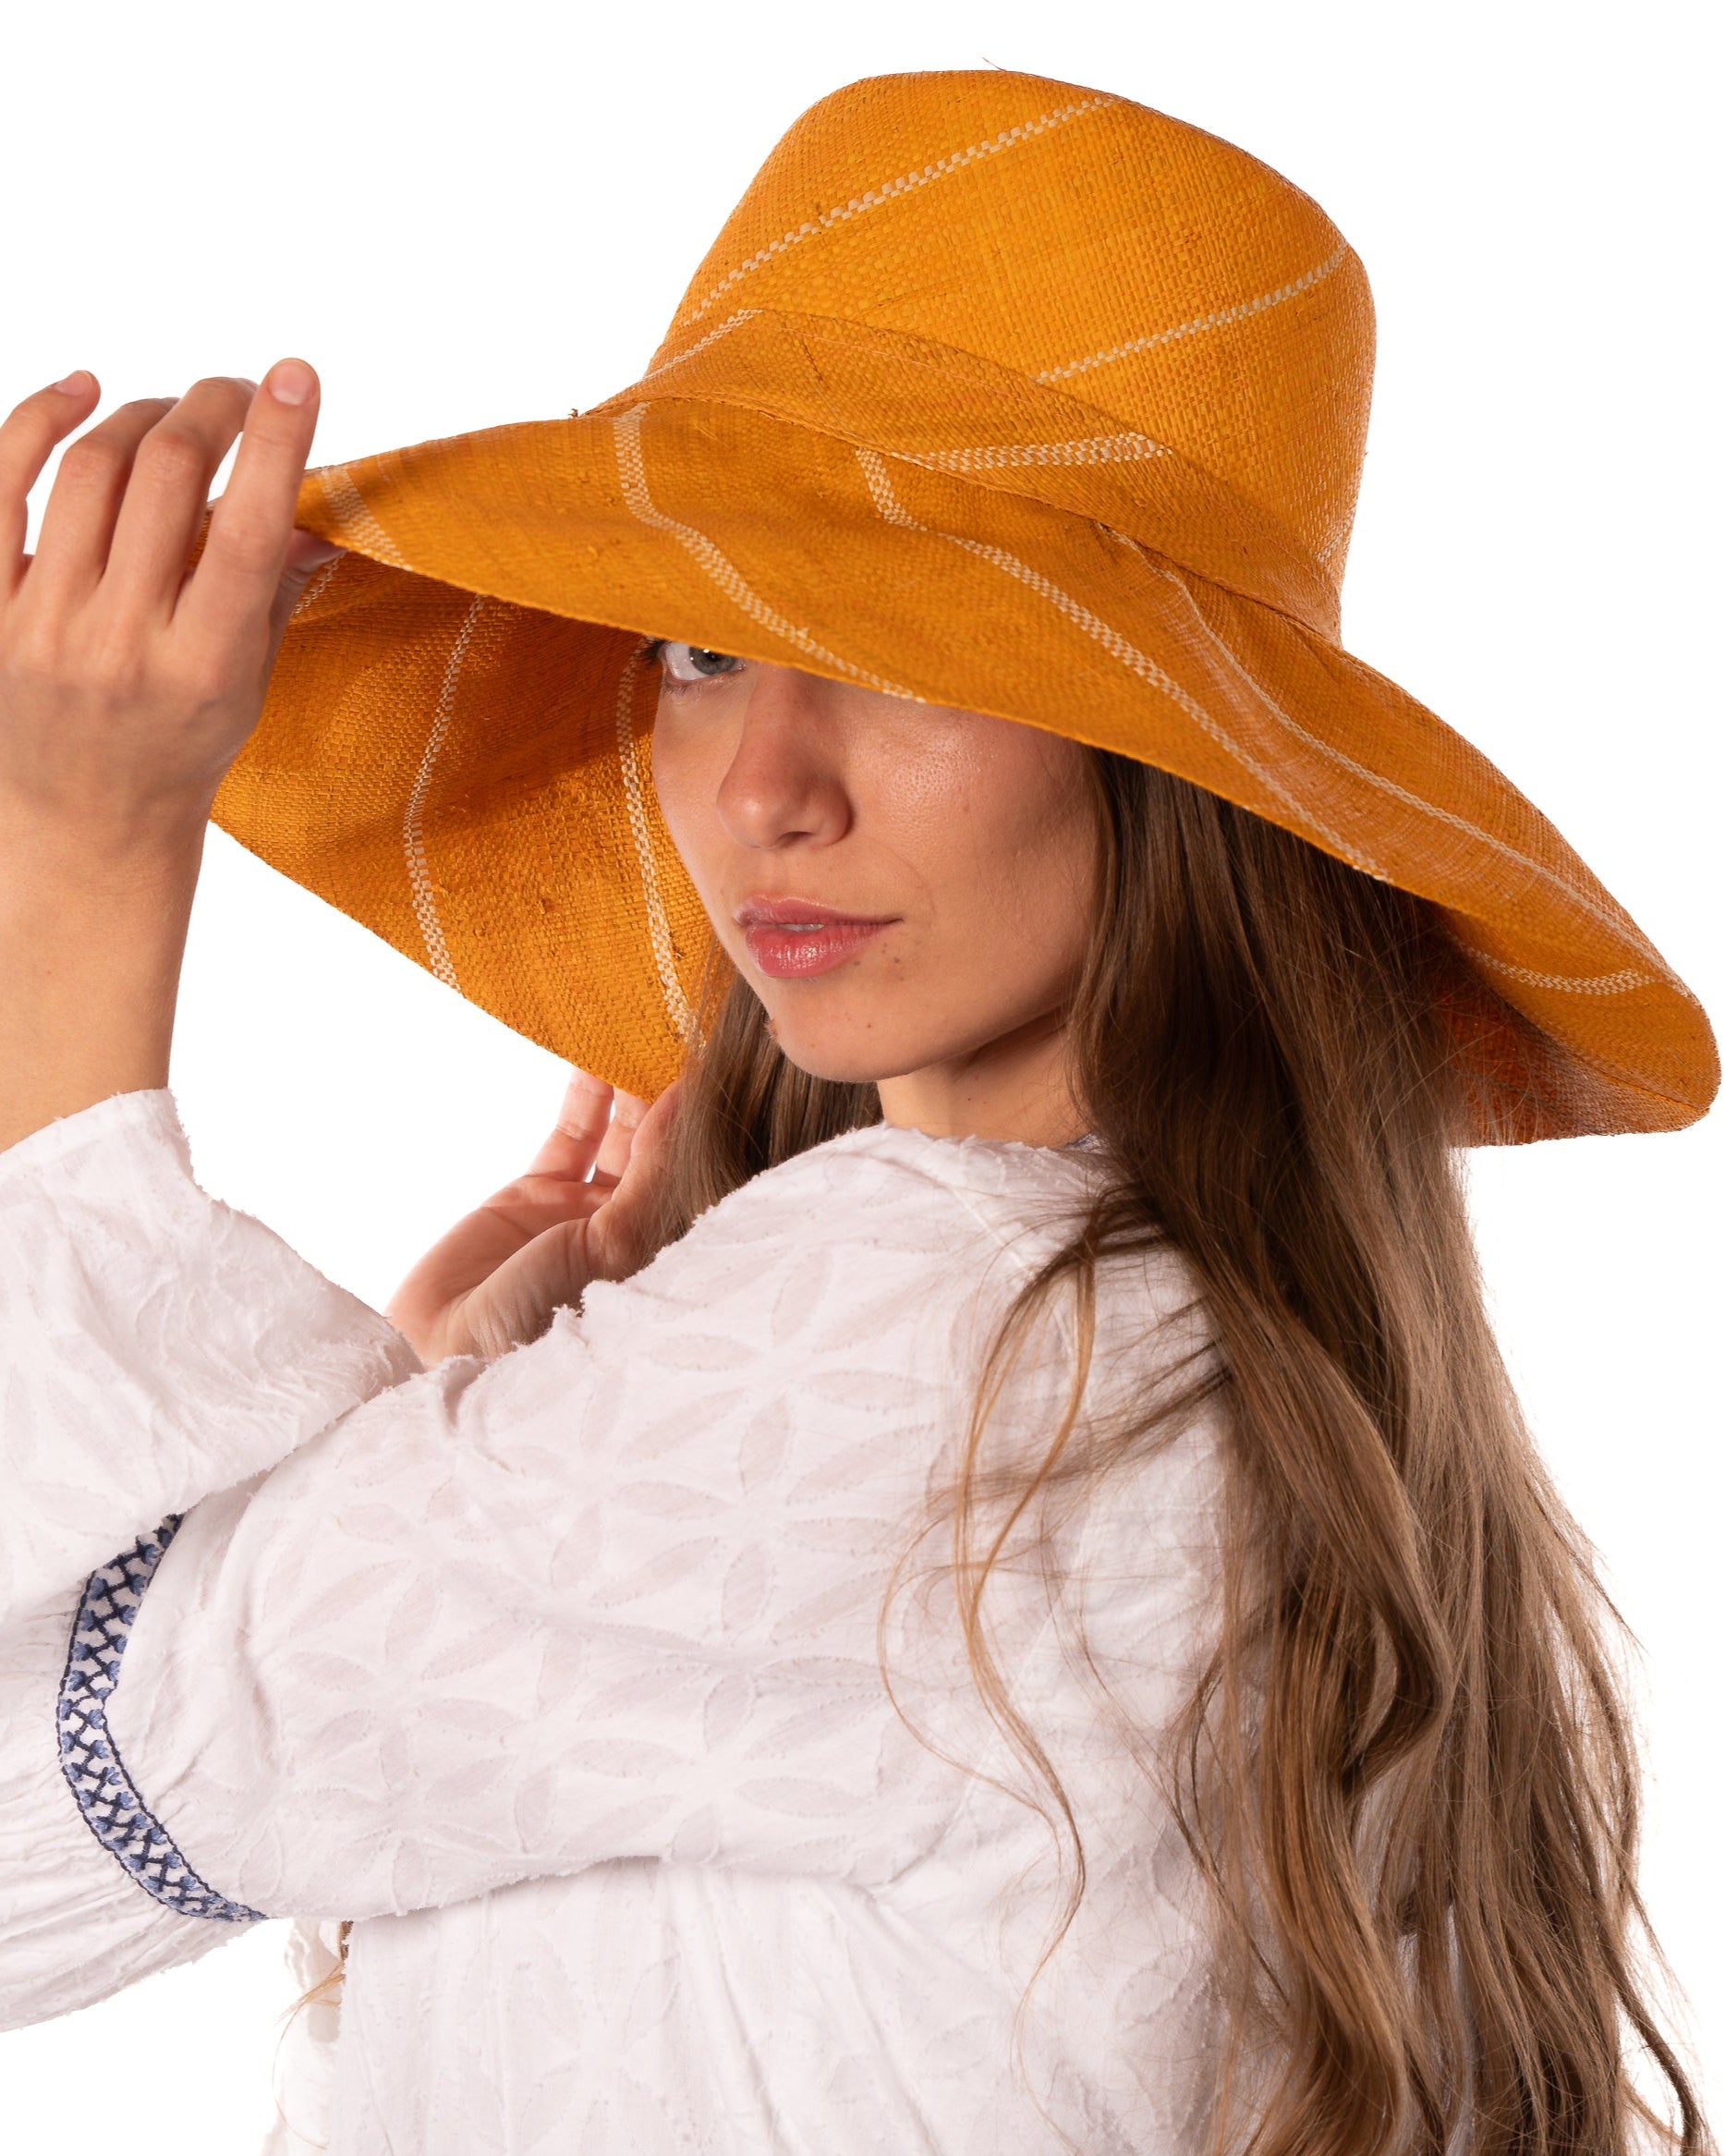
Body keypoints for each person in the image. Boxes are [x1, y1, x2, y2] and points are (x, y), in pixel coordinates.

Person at [0, 67, 1714, 2156]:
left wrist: (77, 863)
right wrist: (459, 1415)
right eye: (700, 648)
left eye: (909, 652)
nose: (762, 788)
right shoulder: (1242, 1349)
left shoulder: (935, 1329)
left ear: (1166, 758)